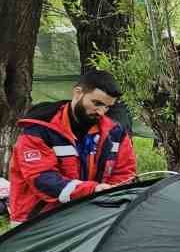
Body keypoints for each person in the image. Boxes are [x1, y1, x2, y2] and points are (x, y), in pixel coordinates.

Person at [6, 69, 137, 223]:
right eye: (97, 103)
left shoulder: (115, 132)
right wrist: (93, 190)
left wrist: (108, 201)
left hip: (89, 216)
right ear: (77, 92)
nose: (101, 112)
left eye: (108, 107)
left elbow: (124, 173)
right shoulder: (39, 129)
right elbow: (42, 179)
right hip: (38, 221)